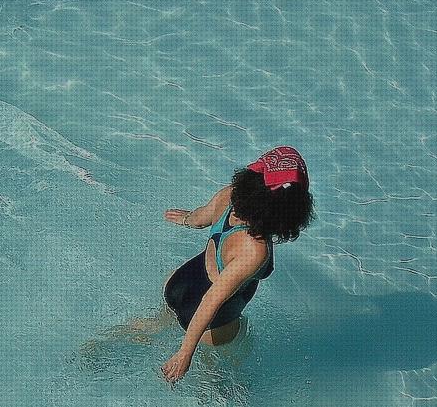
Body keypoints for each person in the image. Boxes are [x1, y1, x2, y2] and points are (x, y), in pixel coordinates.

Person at [90, 146, 316, 386]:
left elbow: (199, 219)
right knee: (215, 381)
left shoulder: (228, 195)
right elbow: (212, 300)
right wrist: (185, 353)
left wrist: (186, 218)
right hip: (214, 323)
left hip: (180, 284)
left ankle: (94, 352)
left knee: (151, 326)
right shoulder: (254, 250)